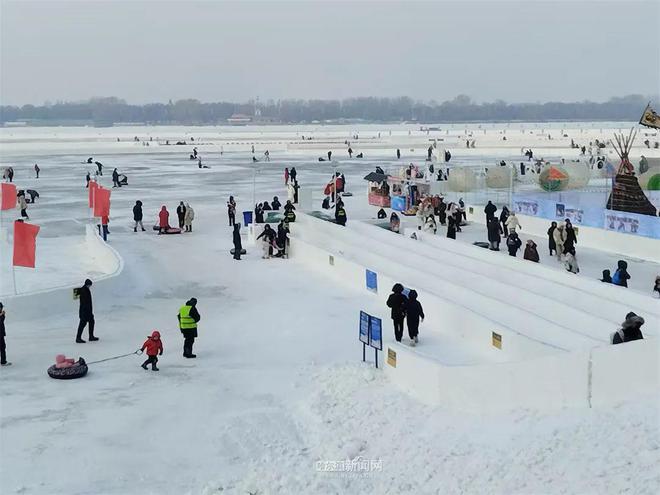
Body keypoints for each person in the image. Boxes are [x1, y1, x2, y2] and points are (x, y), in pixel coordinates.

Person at [76, 279, 98, 343]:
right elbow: (85, 303)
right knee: (82, 324)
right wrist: (88, 312)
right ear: (87, 284)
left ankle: (91, 336)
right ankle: (78, 338)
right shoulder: (84, 291)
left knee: (91, 322)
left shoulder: (86, 289)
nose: (90, 286)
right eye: (89, 285)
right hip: (85, 312)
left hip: (87, 311)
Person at [0, 302, 9, 366]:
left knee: (2, 347)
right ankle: (3, 361)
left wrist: (2, 315)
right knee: (2, 347)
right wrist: (2, 315)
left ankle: (3, 361)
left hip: (1, 334)